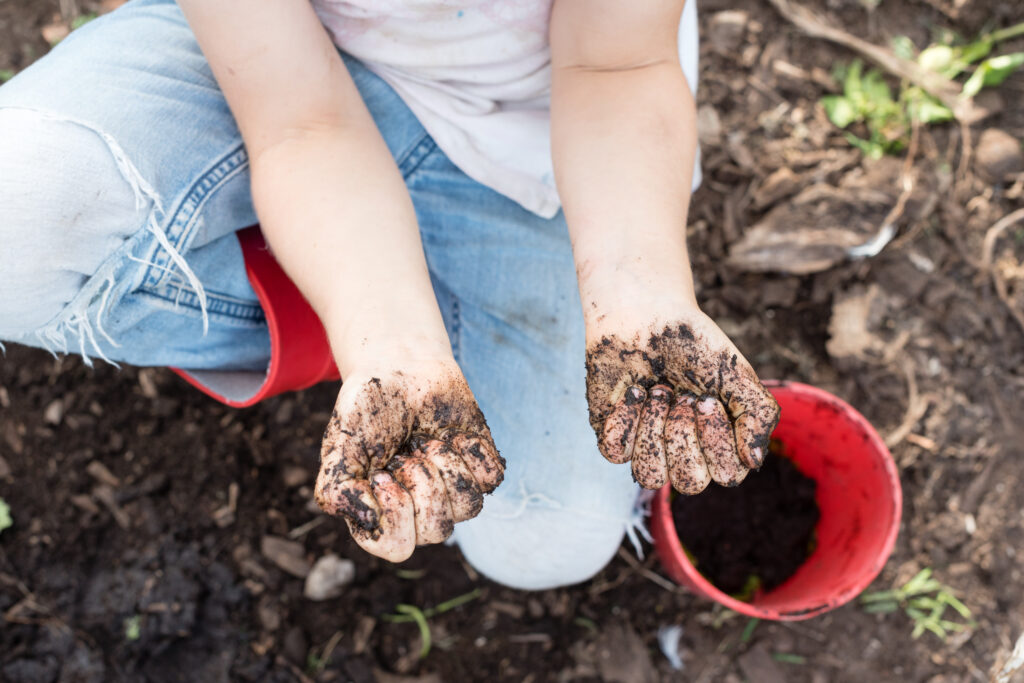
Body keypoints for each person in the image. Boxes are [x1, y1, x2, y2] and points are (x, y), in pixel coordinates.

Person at [0, 0, 779, 590]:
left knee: (549, 537)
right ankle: (352, 321)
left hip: (544, 128)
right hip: (287, 79)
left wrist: (637, 291)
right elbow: (302, 121)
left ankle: (415, 305)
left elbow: (617, 71)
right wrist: (386, 339)